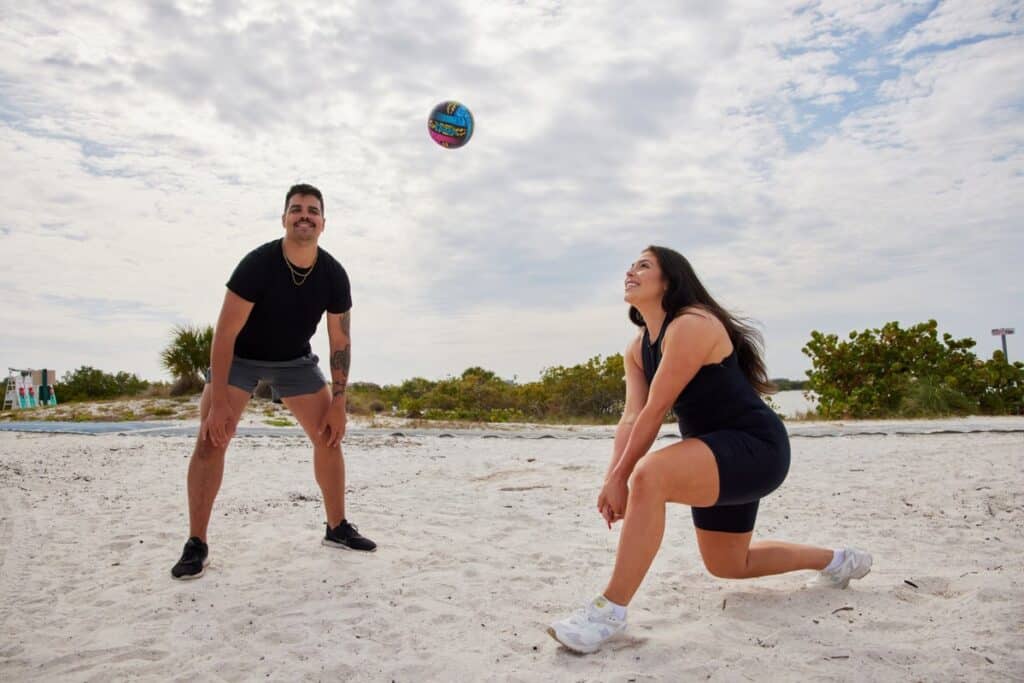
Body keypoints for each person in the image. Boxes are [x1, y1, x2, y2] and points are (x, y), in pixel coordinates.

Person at [547, 246, 871, 653]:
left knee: (650, 475)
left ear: (670, 280)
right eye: (630, 266)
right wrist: (612, 478)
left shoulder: (692, 323)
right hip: (712, 456)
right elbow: (630, 418)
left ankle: (608, 611)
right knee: (730, 564)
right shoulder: (636, 348)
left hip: (756, 448)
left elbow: (655, 411)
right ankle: (839, 561)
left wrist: (624, 479)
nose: (630, 271)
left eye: (643, 266)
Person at [171, 183, 376, 580]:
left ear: (323, 223)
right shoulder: (257, 264)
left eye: (312, 210)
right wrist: (218, 402)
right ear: (284, 218)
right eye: (296, 209)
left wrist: (339, 401)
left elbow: (340, 340)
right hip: (240, 358)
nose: (304, 215)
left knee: (328, 436)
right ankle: (197, 542)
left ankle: (337, 527)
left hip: (293, 360)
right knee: (212, 438)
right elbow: (224, 334)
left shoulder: (333, 275)